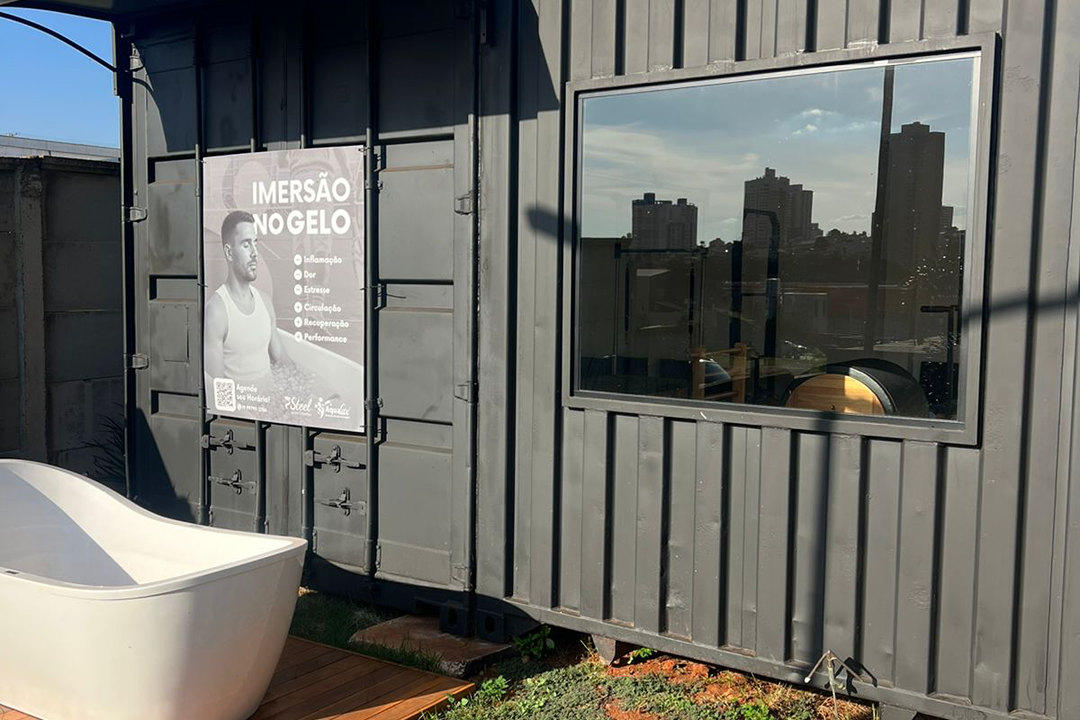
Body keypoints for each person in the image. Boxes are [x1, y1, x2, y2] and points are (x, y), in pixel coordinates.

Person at [204, 210, 293, 383]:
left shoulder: (265, 302)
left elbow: (282, 361)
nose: (254, 253)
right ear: (229, 253)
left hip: (272, 397)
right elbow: (218, 387)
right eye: (246, 244)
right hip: (244, 401)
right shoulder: (217, 311)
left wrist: (309, 394)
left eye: (255, 243)